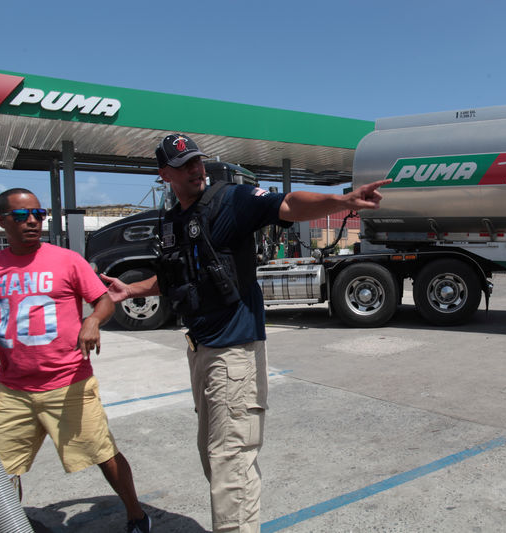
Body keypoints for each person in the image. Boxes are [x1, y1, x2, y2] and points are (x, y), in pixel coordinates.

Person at [99, 133, 390, 533]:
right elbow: (175, 278)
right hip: (200, 349)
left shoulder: (230, 201)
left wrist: (341, 201)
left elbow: (287, 204)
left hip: (234, 352)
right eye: (184, 166)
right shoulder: (174, 220)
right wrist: (131, 288)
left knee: (230, 461)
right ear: (165, 174)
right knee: (213, 456)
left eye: (197, 161)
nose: (196, 169)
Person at [0, 188, 152, 533]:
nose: (32, 222)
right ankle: (6, 523)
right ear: (1, 222)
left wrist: (92, 320)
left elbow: (103, 299)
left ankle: (136, 515)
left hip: (68, 384)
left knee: (103, 454)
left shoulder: (66, 260)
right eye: (22, 216)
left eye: (38, 214)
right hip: (13, 391)